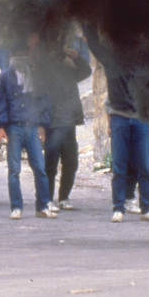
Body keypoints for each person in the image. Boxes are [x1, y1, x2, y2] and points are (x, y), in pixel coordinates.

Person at [84, 25, 149, 223]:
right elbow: (94, 43)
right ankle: (118, 208)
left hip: (141, 119)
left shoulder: (148, 65)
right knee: (119, 166)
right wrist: (86, 20)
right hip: (119, 118)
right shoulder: (112, 60)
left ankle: (146, 209)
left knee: (144, 166)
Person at [0, 37, 57, 220]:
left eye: (23, 54)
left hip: (32, 127)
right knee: (14, 170)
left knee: (40, 168)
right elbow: (0, 104)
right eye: (18, 54)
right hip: (13, 128)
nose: (21, 57)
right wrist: (1, 127)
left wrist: (42, 125)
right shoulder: (4, 78)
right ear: (12, 55)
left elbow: (43, 102)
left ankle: (42, 206)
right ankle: (16, 207)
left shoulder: (35, 77)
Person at [37, 35, 92, 211]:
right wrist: (40, 125)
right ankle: (48, 199)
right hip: (52, 124)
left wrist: (77, 57)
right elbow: (38, 100)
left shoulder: (68, 69)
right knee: (50, 165)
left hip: (68, 123)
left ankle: (63, 198)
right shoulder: (42, 73)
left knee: (71, 163)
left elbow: (86, 72)